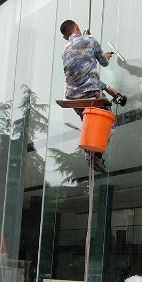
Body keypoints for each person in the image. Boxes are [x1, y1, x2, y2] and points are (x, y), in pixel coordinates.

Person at [60, 19, 126, 173]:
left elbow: (82, 75)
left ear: (65, 36)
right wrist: (105, 56)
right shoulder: (89, 40)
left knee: (89, 124)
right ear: (77, 27)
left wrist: (107, 88)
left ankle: (93, 156)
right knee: (107, 123)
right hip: (90, 93)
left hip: (73, 96)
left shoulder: (64, 51)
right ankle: (92, 156)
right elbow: (103, 63)